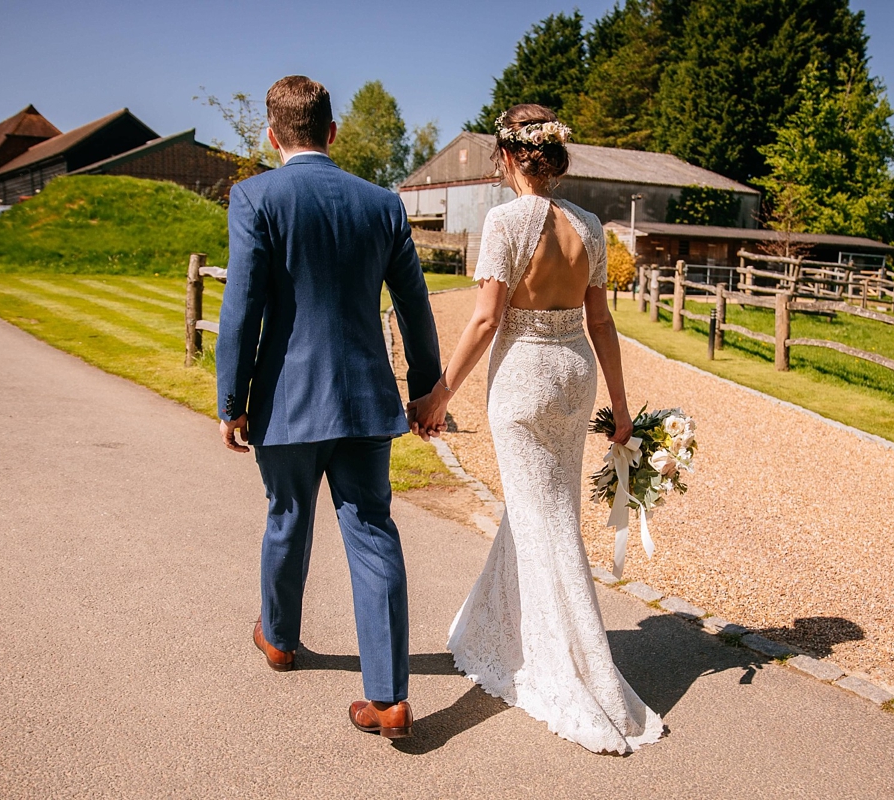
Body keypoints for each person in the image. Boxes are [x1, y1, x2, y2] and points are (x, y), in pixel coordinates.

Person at [408, 104, 665, 754]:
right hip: (574, 375)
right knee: (545, 510)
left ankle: (575, 668)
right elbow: (602, 322)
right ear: (555, 157)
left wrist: (440, 394)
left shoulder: (505, 221)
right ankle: (498, 633)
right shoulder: (589, 226)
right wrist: (623, 406)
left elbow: (486, 320)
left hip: (522, 377)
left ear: (507, 157)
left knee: (543, 519)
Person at [215, 75, 441, 739]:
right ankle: (390, 697)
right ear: (333, 132)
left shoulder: (255, 196)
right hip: (367, 399)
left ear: (271, 134)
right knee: (372, 531)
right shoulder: (382, 204)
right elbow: (414, 304)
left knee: (287, 516)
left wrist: (232, 400)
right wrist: (426, 386)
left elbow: (242, 309)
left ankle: (280, 640)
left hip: (286, 402)